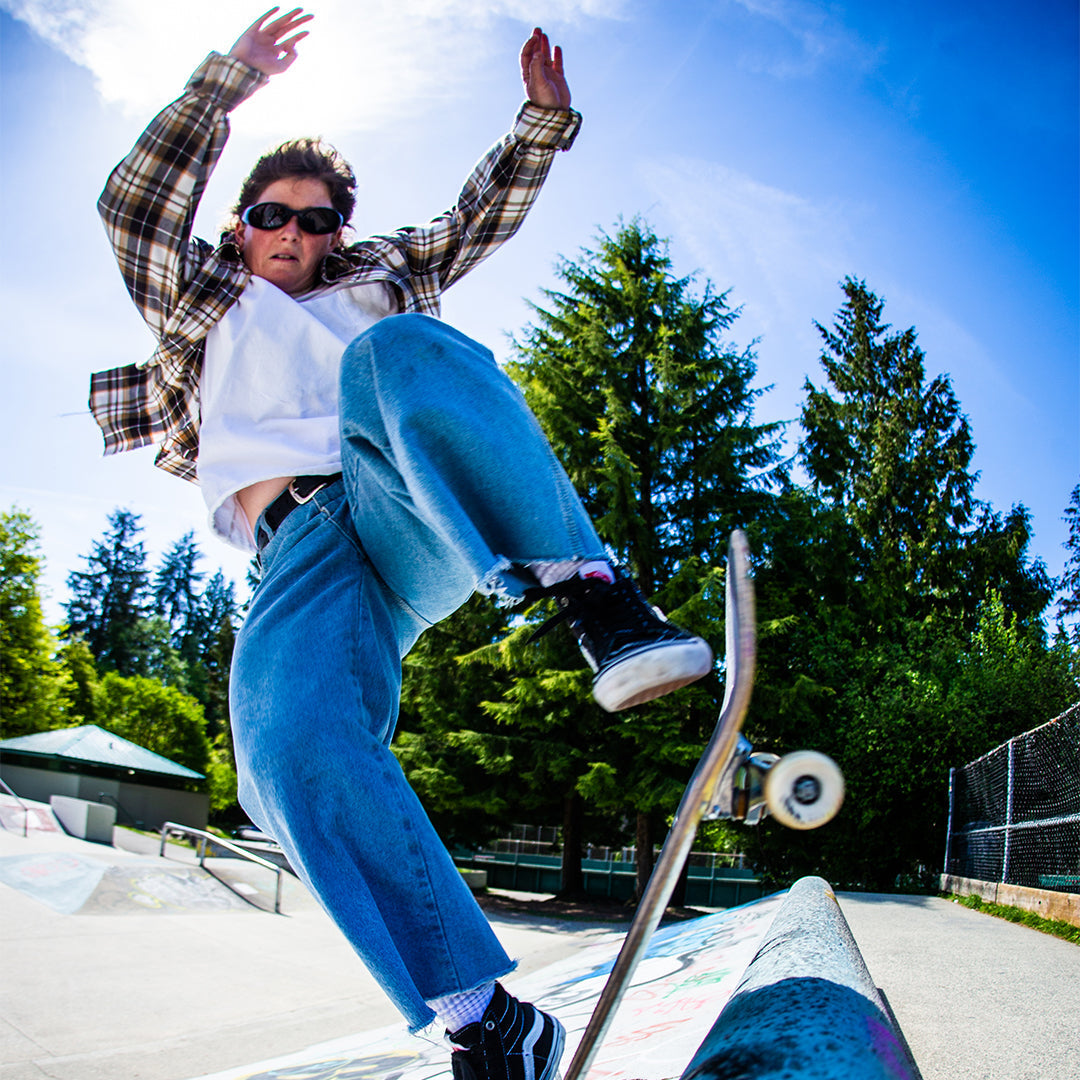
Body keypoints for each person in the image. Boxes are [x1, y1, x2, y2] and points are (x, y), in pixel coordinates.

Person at [90, 8, 713, 1079]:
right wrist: (225, 82)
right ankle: (486, 1018)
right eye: (273, 217)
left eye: (320, 220)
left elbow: (476, 221)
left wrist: (537, 129)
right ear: (241, 224)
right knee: (283, 753)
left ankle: (594, 596)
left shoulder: (377, 274)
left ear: (342, 226)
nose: (297, 237)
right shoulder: (201, 295)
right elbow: (133, 205)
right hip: (304, 556)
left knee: (392, 350)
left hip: (403, 502)